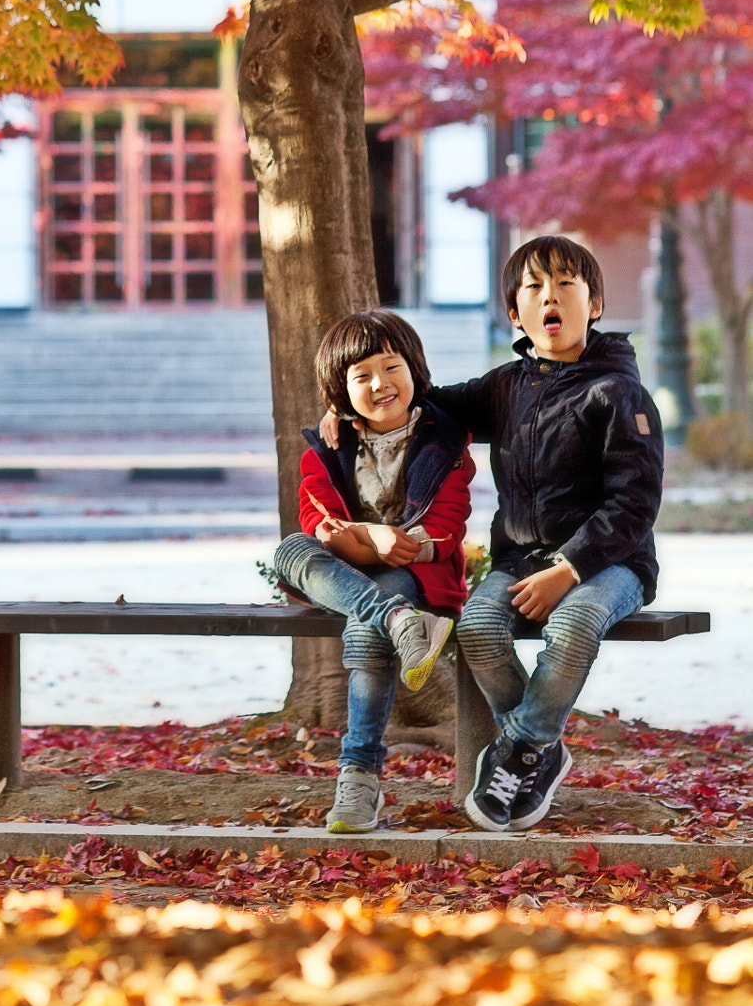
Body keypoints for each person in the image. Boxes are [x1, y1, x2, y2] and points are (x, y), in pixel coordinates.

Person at [320, 238, 665, 834]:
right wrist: (343, 411)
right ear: (516, 315)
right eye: (533, 288)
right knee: (477, 625)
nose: (549, 296)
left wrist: (570, 568)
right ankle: (537, 749)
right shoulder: (508, 386)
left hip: (611, 564)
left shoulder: (619, 393)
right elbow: (420, 406)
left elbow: (635, 504)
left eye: (566, 284)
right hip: (520, 559)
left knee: (575, 622)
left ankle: (525, 749)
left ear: (596, 303)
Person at [274, 309, 474, 834]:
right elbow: (317, 520)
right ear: (340, 390)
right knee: (291, 550)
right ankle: (399, 622)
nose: (380, 384)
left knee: (365, 635)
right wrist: (372, 540)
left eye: (391, 367)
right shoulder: (328, 446)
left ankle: (358, 778)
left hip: (418, 575)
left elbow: (445, 531)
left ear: (414, 368)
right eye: (361, 376)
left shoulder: (444, 442)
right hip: (353, 575)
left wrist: (385, 542)